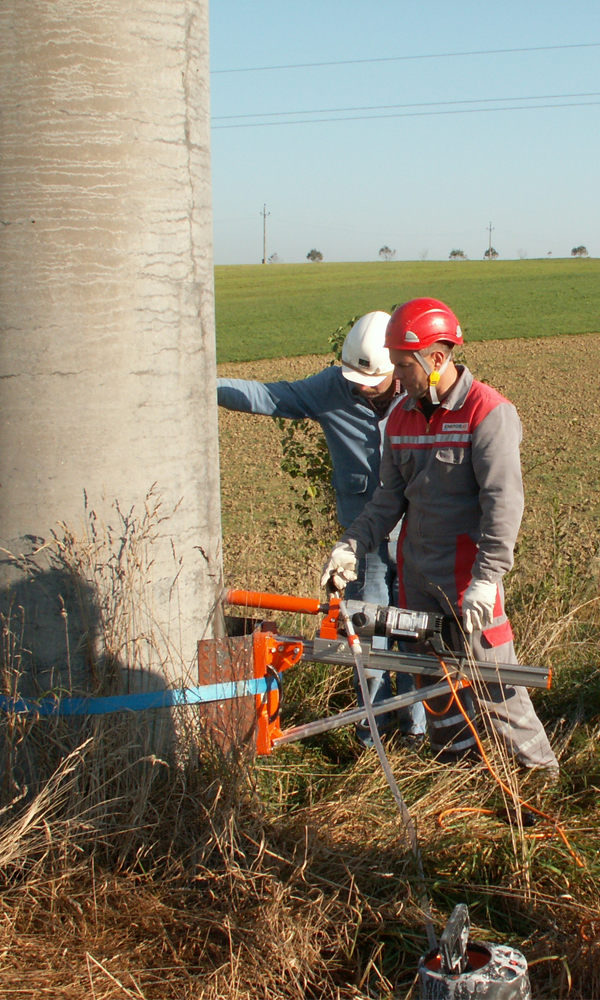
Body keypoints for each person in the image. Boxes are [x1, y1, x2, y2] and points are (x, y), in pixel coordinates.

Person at [321, 297, 558, 773]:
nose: (397, 376)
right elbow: (388, 500)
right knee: (437, 692)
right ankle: (460, 776)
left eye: (403, 366)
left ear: (436, 358)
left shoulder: (488, 414)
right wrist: (353, 545)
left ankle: (540, 779)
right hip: (418, 584)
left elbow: (503, 508)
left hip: (470, 586)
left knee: (497, 688)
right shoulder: (403, 419)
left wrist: (487, 581)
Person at [217, 312, 426, 744]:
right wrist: (204, 386)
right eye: (354, 378)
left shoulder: (420, 390)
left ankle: (416, 733)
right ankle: (374, 734)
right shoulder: (331, 387)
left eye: (370, 379)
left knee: (413, 633)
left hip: (416, 535)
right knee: (366, 638)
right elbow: (270, 397)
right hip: (360, 542)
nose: (359, 386)